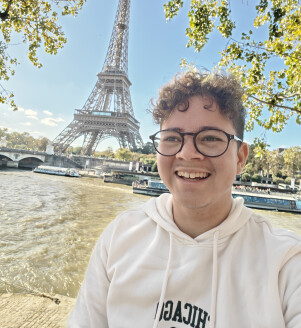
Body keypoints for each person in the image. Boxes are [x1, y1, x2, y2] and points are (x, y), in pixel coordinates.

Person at [67, 69, 301, 328]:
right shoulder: (118, 236)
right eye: (172, 138)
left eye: (210, 138)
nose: (188, 153)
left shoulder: (287, 263)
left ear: (240, 158)